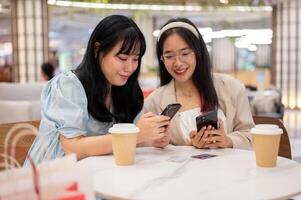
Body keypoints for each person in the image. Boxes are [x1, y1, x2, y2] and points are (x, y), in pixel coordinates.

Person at [25, 15, 170, 165]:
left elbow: (124, 141)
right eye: (122, 58)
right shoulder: (69, 85)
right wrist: (136, 134)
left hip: (95, 175)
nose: (130, 67)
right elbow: (73, 148)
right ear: (97, 50)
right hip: (49, 177)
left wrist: (152, 138)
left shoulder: (124, 89)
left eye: (135, 59)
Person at [144, 18, 254, 150]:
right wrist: (185, 148)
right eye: (169, 56)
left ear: (198, 52)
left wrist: (228, 141)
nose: (178, 63)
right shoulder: (154, 102)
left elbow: (253, 138)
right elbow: (147, 150)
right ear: (162, 59)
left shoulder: (232, 88)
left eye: (185, 53)